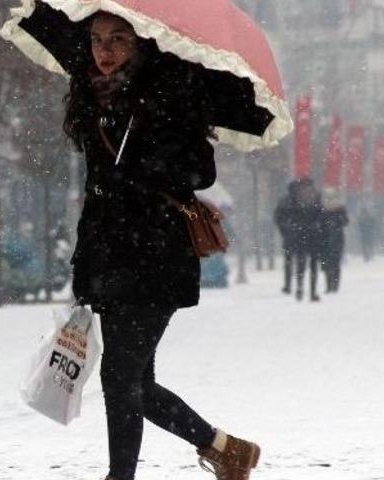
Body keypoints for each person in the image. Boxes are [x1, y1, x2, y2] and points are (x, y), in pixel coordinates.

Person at [65, 13, 259, 480]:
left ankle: (121, 476)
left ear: (140, 43)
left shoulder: (171, 91)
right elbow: (97, 192)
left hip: (157, 254)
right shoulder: (90, 99)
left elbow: (200, 174)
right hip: (110, 255)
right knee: (135, 381)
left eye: (117, 39)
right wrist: (84, 261)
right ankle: (225, 449)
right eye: (96, 40)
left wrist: (147, 159)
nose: (104, 50)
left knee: (119, 376)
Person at [287, 179, 323, 302]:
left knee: (301, 264)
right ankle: (311, 292)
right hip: (312, 236)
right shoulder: (315, 197)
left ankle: (300, 288)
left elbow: (292, 217)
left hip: (301, 235)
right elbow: (320, 216)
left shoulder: (296, 198)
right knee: (312, 265)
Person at [319, 189, 349, 293]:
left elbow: (345, 221)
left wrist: (337, 217)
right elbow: (319, 224)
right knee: (326, 263)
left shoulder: (340, 210)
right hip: (324, 240)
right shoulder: (321, 210)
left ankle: (335, 285)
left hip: (337, 240)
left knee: (335, 263)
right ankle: (328, 285)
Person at [274, 181, 300, 294]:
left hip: (289, 236)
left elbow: (278, 218)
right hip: (299, 236)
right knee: (299, 262)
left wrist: (284, 230)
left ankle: (288, 285)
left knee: (289, 263)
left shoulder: (284, 201)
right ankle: (298, 283)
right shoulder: (301, 201)